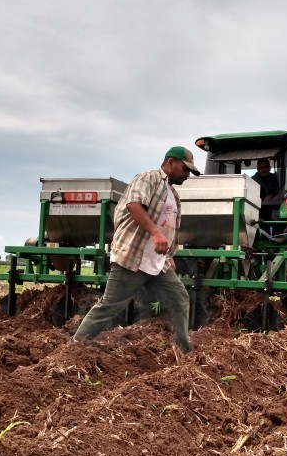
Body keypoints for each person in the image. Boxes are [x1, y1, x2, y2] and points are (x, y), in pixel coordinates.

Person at [72, 146, 200, 352]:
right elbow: (134, 205)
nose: (187, 175)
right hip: (134, 258)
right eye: (186, 169)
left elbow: (167, 225)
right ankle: (74, 347)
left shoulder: (172, 194)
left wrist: (168, 255)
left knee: (180, 298)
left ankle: (184, 352)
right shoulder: (149, 177)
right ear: (170, 162)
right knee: (109, 307)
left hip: (157, 262)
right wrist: (155, 233)